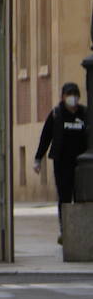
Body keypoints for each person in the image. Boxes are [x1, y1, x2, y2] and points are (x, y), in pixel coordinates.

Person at [34, 82, 89, 241]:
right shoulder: (56, 114)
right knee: (64, 198)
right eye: (69, 94)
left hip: (82, 165)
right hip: (62, 163)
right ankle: (65, 231)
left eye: (75, 94)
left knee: (81, 197)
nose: (72, 98)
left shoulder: (85, 114)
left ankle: (80, 231)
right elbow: (46, 138)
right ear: (63, 97)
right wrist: (38, 158)